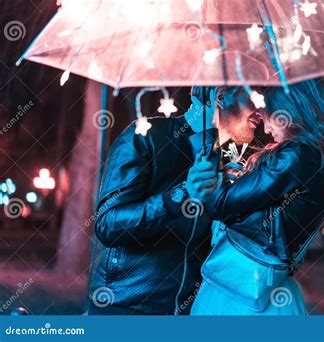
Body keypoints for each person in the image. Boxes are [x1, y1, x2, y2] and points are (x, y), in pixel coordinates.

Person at [191, 78, 324, 315]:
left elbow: (219, 203)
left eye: (267, 114)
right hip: (272, 290)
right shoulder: (320, 156)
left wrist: (208, 146)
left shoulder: (298, 154)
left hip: (244, 295)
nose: (267, 129)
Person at [88, 87, 261, 315]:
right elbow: (108, 224)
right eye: (255, 96)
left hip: (192, 312)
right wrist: (180, 195)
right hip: (128, 308)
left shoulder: (224, 162)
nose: (263, 109)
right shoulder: (145, 136)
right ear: (220, 96)